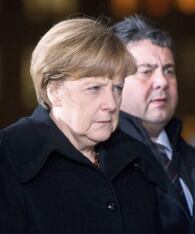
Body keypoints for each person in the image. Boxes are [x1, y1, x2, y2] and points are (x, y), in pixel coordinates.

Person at [0, 18, 164, 234]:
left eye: (116, 88)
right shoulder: (9, 156)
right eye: (94, 88)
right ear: (54, 91)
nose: (111, 104)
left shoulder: (138, 158)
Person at [111, 15, 195, 234]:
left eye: (169, 70)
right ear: (115, 82)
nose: (162, 82)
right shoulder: (102, 163)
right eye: (146, 71)